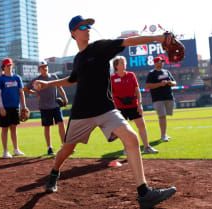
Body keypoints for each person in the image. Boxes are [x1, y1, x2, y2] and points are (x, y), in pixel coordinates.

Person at [34, 15, 176, 209]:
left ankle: (144, 193)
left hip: (105, 109)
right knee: (67, 149)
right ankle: (54, 172)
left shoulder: (100, 47)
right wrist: (48, 83)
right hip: (81, 113)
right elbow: (72, 79)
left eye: (88, 25)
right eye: (82, 26)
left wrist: (158, 38)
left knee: (132, 139)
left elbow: (129, 41)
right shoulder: (78, 59)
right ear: (73, 33)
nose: (87, 28)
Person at [111, 56, 158, 154]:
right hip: (120, 108)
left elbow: (137, 90)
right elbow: (110, 94)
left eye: (125, 62)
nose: (125, 64)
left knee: (141, 125)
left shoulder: (131, 75)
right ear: (116, 66)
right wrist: (114, 108)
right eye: (122, 63)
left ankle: (147, 147)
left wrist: (140, 104)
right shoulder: (112, 78)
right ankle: (126, 148)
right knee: (123, 130)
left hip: (134, 105)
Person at [24, 61, 68, 156]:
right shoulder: (36, 80)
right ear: (39, 69)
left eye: (45, 66)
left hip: (55, 105)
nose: (45, 68)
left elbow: (60, 88)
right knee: (47, 127)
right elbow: (26, 89)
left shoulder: (53, 77)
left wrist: (65, 97)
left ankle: (64, 145)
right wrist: (34, 93)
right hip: (44, 107)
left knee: (61, 123)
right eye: (42, 67)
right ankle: (49, 148)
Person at [0, 58, 27, 158]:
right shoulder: (0, 79)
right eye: (8, 65)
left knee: (14, 128)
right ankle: (5, 151)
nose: (10, 67)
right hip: (5, 107)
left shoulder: (17, 78)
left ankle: (16, 149)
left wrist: (24, 106)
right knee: (5, 129)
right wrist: (1, 107)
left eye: (10, 65)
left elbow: (21, 93)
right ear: (3, 67)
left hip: (15, 107)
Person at [145, 56, 177, 142]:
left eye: (162, 61)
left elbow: (174, 82)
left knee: (165, 116)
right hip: (158, 98)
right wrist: (160, 84)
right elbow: (147, 86)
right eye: (160, 61)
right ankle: (163, 135)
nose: (162, 63)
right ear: (155, 63)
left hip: (168, 97)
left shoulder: (167, 71)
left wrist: (170, 83)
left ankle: (164, 134)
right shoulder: (151, 73)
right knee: (162, 116)